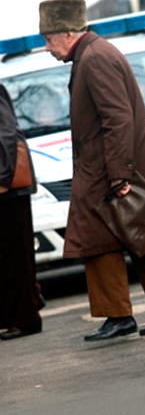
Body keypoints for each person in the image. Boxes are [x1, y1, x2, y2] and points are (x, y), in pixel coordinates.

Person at [39, 0, 145, 341]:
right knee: (142, 236)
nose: (46, 48)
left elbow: (117, 118)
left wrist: (120, 174)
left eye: (49, 39)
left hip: (106, 171)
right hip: (110, 167)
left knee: (97, 241)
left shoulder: (93, 59)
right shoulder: (94, 54)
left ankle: (119, 316)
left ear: (67, 34)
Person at [0, 81, 43, 341]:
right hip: (6, 184)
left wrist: (3, 178)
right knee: (8, 256)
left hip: (7, 187)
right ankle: (24, 306)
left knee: (15, 255)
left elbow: (5, 133)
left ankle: (26, 318)